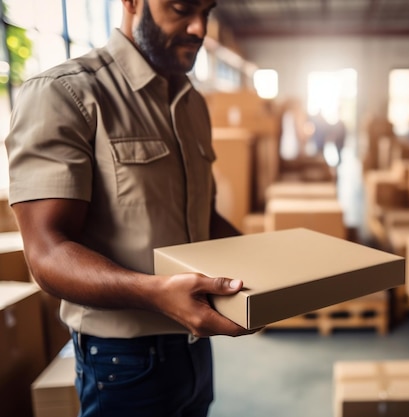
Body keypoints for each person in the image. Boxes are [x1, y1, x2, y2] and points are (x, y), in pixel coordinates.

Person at [5, 1, 254, 416]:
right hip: (123, 362)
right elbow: (46, 254)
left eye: (206, 11)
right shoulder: (65, 94)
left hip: (195, 347)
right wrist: (156, 294)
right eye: (181, 8)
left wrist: (272, 264)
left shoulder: (193, 104)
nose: (199, 27)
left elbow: (201, 218)